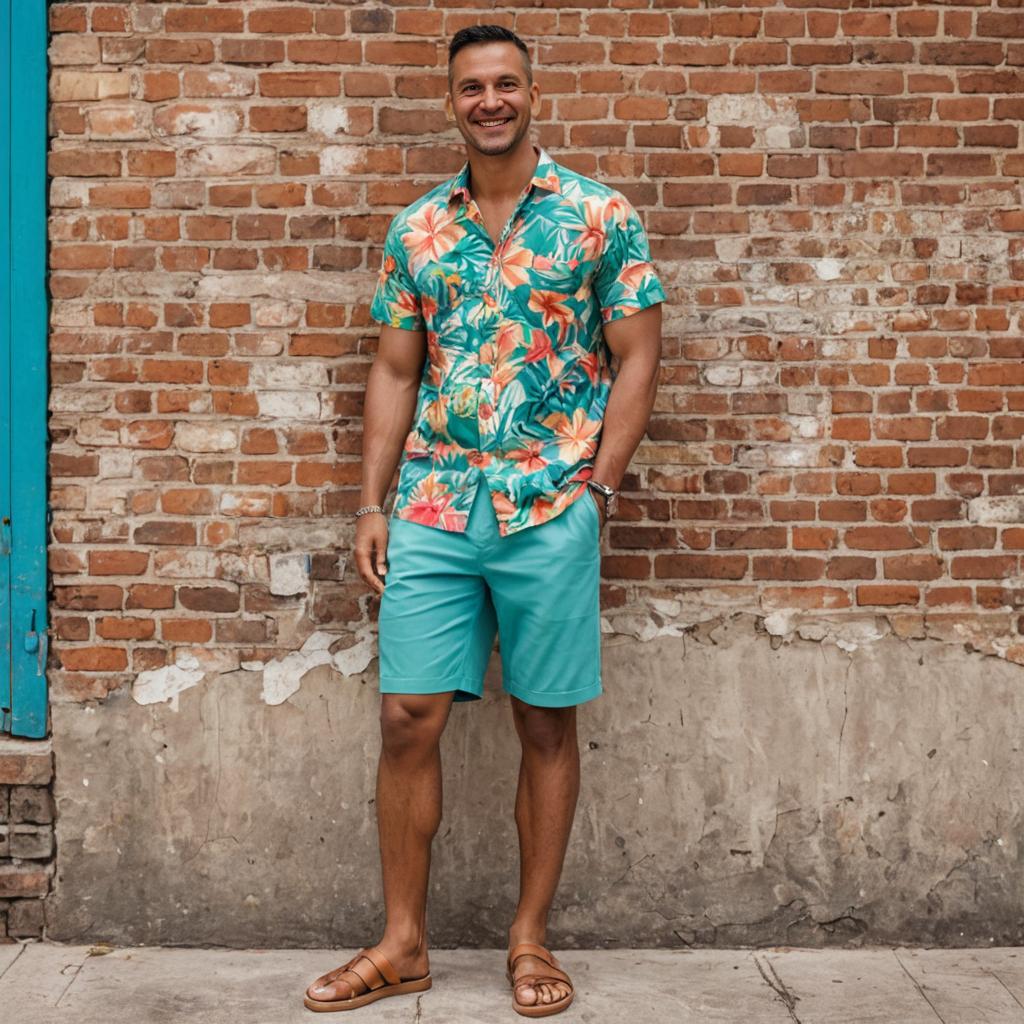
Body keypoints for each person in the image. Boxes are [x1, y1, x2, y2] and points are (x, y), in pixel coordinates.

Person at [304, 24, 665, 1017]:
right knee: (403, 715)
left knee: (544, 721)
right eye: (473, 86)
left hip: (551, 501)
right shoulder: (418, 229)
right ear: (451, 100)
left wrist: (600, 484)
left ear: (532, 91)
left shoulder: (598, 216)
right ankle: (402, 943)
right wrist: (370, 502)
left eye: (506, 83)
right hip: (432, 499)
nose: (490, 99)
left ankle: (529, 936)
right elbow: (393, 368)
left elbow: (638, 352)